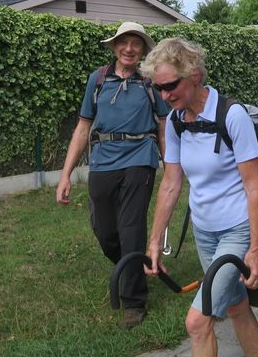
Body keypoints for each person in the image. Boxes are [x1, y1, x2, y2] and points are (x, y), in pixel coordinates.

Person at [142, 38, 258, 357]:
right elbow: (170, 184)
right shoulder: (176, 121)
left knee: (197, 322)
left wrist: (254, 249)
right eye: (159, 89)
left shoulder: (232, 115)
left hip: (236, 231)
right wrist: (154, 242)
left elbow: (254, 188)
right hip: (204, 232)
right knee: (235, 306)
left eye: (170, 86)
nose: (165, 95)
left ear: (194, 74)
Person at [56, 21, 168, 329]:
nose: (129, 48)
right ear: (114, 46)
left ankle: (134, 300)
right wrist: (65, 176)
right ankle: (137, 265)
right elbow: (82, 128)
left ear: (143, 49)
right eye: (124, 42)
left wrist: (170, 163)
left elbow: (162, 125)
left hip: (139, 159)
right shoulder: (98, 79)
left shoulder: (149, 81)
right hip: (103, 161)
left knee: (130, 228)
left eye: (136, 43)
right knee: (106, 233)